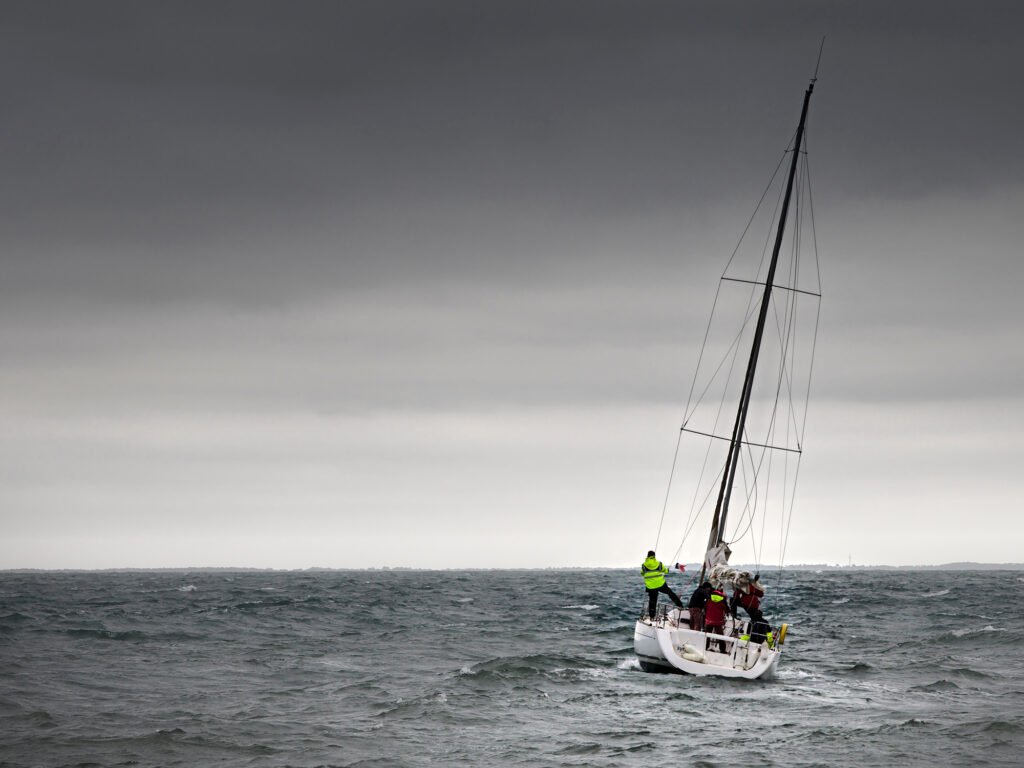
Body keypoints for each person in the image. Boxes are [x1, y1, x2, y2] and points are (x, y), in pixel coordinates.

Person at [641, 550, 683, 619]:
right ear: (654, 556)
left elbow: (642, 573)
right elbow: (665, 570)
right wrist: (667, 570)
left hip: (651, 586)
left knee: (652, 601)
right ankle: (680, 605)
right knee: (670, 593)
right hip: (661, 584)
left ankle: (652, 617)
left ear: (647, 556)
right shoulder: (659, 564)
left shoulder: (643, 565)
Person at [703, 585, 729, 652]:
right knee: (720, 636)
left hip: (708, 620)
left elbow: (705, 607)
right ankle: (722, 650)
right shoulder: (722, 599)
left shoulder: (709, 598)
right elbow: (726, 610)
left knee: (707, 635)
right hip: (718, 621)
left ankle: (704, 647)